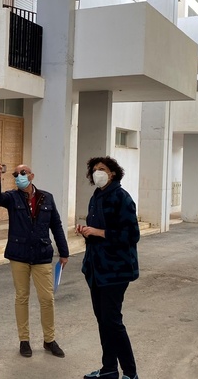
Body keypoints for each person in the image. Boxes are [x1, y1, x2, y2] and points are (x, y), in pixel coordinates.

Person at [0, 163, 69, 358]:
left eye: (22, 173)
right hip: (19, 254)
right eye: (16, 174)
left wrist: (64, 252)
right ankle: (24, 340)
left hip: (42, 253)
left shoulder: (46, 197)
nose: (18, 176)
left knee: (47, 298)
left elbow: (56, 225)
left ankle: (49, 340)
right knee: (22, 297)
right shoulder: (12, 197)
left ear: (31, 176)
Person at [75, 156, 140, 379]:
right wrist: (86, 231)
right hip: (96, 269)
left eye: (101, 169)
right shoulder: (97, 196)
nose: (97, 173)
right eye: (94, 170)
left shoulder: (122, 197)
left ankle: (130, 373)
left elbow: (132, 235)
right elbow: (97, 230)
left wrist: (98, 232)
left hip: (116, 270)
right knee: (103, 321)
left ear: (112, 173)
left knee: (112, 321)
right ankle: (109, 369)